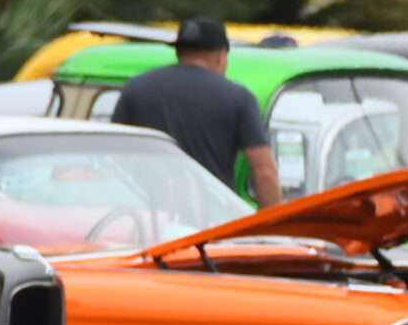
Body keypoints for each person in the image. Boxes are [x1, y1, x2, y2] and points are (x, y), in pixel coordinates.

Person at [111, 17, 281, 205]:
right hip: (213, 219)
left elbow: (115, 159)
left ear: (178, 53)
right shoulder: (238, 96)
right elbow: (264, 171)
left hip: (151, 215)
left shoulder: (137, 87)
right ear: (221, 56)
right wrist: (271, 228)